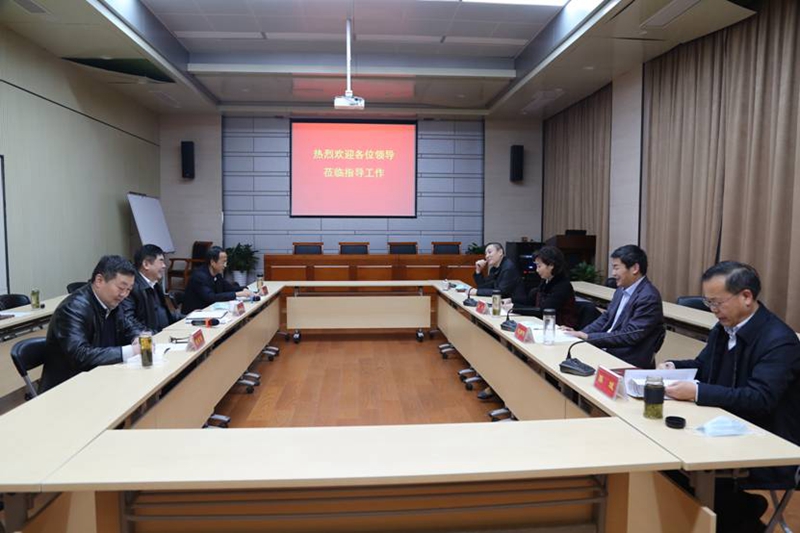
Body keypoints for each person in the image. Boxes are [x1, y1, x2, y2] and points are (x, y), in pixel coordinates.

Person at [660, 261, 800, 533]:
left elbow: (759, 399)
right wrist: (673, 366)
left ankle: (740, 514)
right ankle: (739, 509)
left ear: (746, 296)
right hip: (724, 427)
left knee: (684, 469)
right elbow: (704, 365)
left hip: (767, 442)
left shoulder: (779, 341)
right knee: (667, 460)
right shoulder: (724, 329)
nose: (713, 310)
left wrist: (698, 391)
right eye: (708, 302)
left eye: (717, 302)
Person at [39, 255, 143, 393]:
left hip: (100, 379)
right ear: (99, 280)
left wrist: (138, 336)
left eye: (129, 290)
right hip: (68, 388)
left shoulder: (112, 303)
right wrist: (131, 351)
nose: (124, 294)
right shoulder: (73, 309)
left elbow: (128, 326)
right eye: (121, 288)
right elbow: (80, 355)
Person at [564, 244, 665, 369]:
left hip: (627, 360)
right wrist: (581, 333)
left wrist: (588, 337)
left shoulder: (648, 297)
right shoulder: (621, 290)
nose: (613, 273)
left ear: (634, 268)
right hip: (609, 350)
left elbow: (630, 335)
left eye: (616, 268)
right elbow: (606, 318)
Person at [513, 245, 578, 328]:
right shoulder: (546, 280)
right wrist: (510, 301)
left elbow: (544, 311)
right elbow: (530, 301)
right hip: (543, 323)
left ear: (551, 265)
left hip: (560, 327)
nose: (537, 270)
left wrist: (514, 307)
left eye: (539, 266)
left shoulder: (562, 285)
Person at [121, 244, 181, 333]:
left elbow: (163, 314)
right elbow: (129, 322)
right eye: (161, 261)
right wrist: (151, 335)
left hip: (162, 334)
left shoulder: (155, 284)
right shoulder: (131, 287)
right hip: (149, 338)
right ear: (146, 264)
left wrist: (188, 317)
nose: (164, 266)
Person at [182, 245, 252, 314]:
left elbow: (230, 288)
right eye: (223, 262)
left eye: (226, 262)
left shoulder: (217, 275)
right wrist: (238, 294)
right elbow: (211, 297)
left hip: (209, 311)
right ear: (212, 262)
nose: (225, 265)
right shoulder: (199, 276)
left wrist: (245, 289)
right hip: (192, 314)